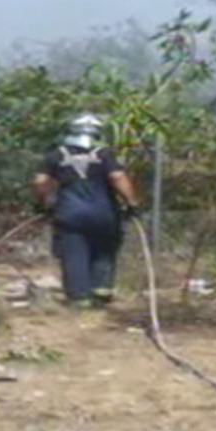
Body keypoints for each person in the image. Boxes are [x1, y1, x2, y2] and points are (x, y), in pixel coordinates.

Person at [31, 113, 141, 309]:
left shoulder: (55, 155)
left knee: (74, 254)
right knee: (104, 251)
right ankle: (101, 292)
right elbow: (118, 177)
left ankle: (79, 298)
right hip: (105, 213)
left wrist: (43, 203)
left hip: (69, 214)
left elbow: (40, 182)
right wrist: (132, 203)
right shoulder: (104, 154)